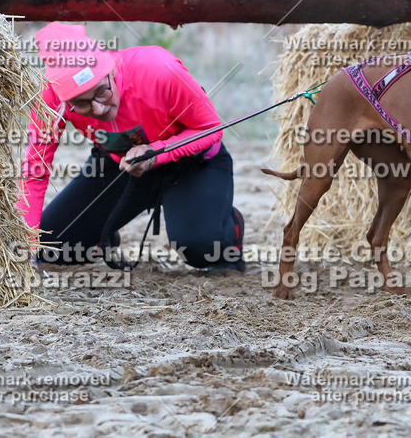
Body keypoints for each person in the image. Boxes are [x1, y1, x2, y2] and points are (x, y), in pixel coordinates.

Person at [17, 22, 244, 270]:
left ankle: (229, 231)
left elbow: (211, 129)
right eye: (81, 104)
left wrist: (157, 154)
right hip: (121, 165)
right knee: (53, 246)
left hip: (191, 162)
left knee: (200, 247)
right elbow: (35, 169)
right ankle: (102, 237)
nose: (99, 109)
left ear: (111, 72)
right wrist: (28, 244)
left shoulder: (159, 70)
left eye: (102, 92)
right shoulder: (51, 97)